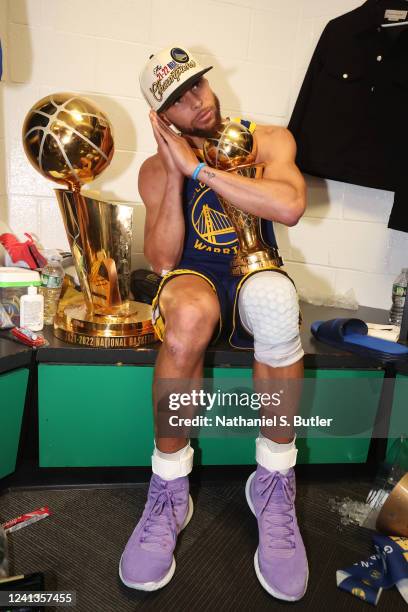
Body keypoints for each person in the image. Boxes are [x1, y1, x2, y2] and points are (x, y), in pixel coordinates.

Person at [119, 45, 308, 601]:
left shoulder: (268, 139)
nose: (198, 103)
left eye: (197, 86)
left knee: (276, 304)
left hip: (254, 268)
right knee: (185, 318)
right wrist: (177, 173)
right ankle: (169, 488)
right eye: (178, 100)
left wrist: (200, 167)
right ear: (161, 117)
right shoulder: (156, 169)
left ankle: (273, 483)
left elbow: (289, 206)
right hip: (195, 276)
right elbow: (160, 258)